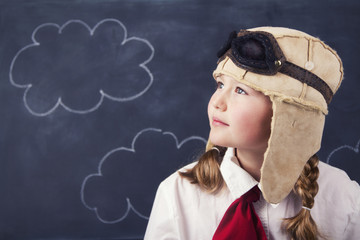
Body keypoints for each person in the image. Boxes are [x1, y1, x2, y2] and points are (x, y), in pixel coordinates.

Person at [144, 27, 360, 240]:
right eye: (220, 85)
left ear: (290, 114)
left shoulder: (343, 198)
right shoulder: (178, 194)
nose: (217, 103)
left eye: (240, 90)